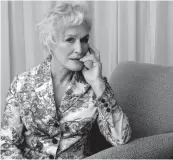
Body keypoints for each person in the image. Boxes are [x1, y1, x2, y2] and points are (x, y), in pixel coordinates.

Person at [0, 1, 131, 159]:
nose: (79, 49)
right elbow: (7, 144)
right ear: (50, 42)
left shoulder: (95, 87)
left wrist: (97, 83)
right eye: (70, 40)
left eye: (84, 40)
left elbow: (121, 139)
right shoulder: (22, 84)